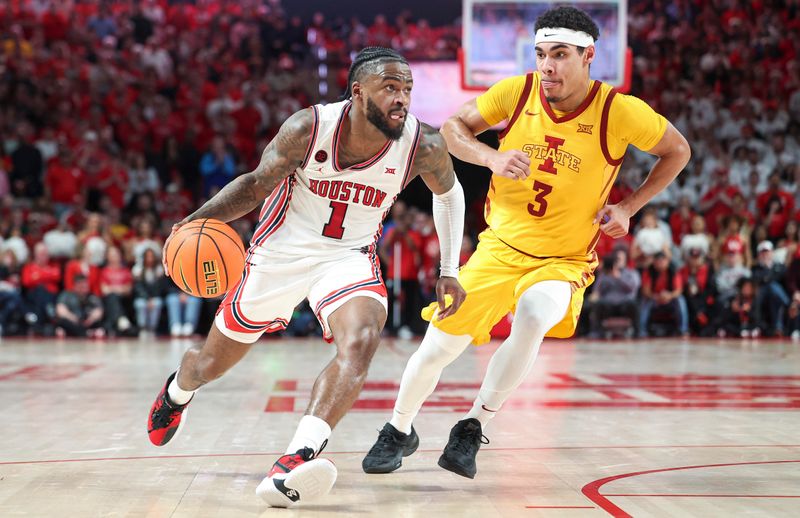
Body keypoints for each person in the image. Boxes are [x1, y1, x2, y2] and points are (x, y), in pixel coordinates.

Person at [362, 6, 690, 479]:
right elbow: (453, 129)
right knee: (438, 347)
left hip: (564, 258)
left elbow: (678, 150)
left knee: (535, 313)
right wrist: (490, 157)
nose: (547, 66)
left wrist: (628, 207)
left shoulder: (618, 110)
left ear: (588, 55)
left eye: (559, 55)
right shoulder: (517, 94)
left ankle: (473, 425)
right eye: (541, 54)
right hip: (499, 248)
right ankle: (399, 428)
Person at [146, 47, 466, 508]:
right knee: (209, 365)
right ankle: (178, 391)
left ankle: (298, 455)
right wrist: (193, 223)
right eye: (390, 88)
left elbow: (450, 193)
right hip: (279, 254)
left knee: (361, 338)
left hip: (347, 257)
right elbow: (255, 186)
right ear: (358, 93)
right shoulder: (309, 128)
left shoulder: (424, 144)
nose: (402, 98)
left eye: (408, 89)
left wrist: (449, 270)